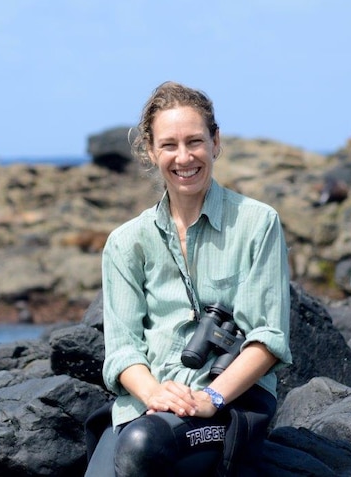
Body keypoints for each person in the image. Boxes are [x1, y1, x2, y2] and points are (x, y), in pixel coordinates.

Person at [85, 81, 292, 477]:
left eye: (195, 141)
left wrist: (211, 397)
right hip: (146, 403)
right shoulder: (126, 243)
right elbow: (123, 350)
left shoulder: (257, 223)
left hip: (228, 402)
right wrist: (154, 393)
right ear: (150, 151)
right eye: (169, 145)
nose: (184, 157)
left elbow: (267, 337)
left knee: (141, 448)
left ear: (216, 142)